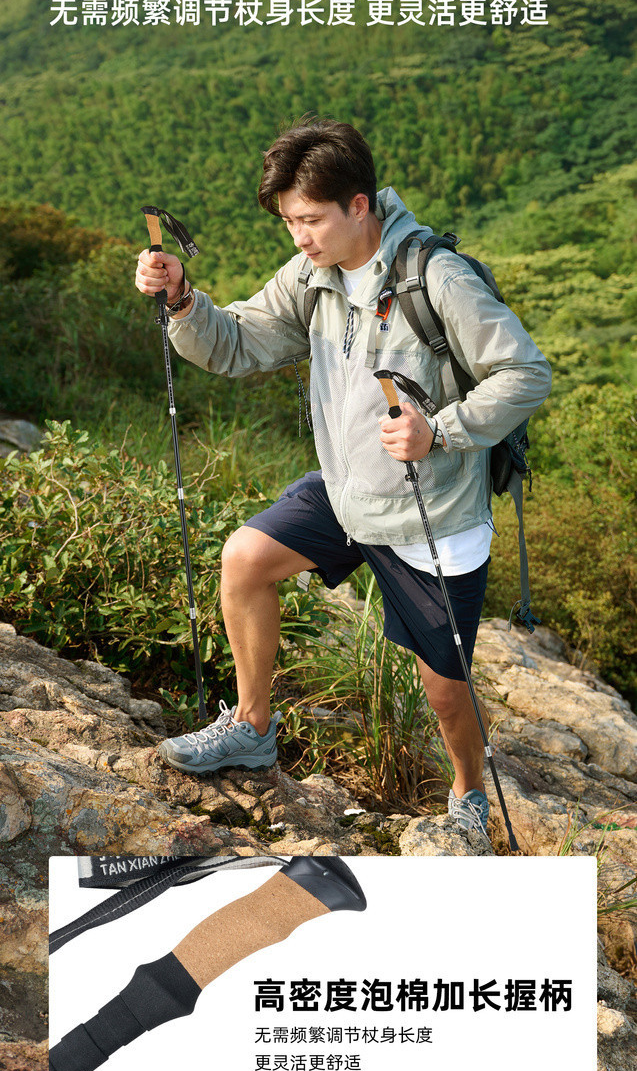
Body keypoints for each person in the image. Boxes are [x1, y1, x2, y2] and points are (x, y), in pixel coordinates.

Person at [135, 118, 551, 834]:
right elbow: (238, 343)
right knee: (245, 558)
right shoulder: (312, 274)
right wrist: (182, 300)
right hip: (347, 491)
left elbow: (524, 372)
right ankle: (251, 726)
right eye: (288, 221)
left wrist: (439, 430)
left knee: (444, 691)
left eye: (310, 220)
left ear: (359, 205)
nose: (298, 237)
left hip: (432, 512)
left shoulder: (437, 278)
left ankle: (467, 794)